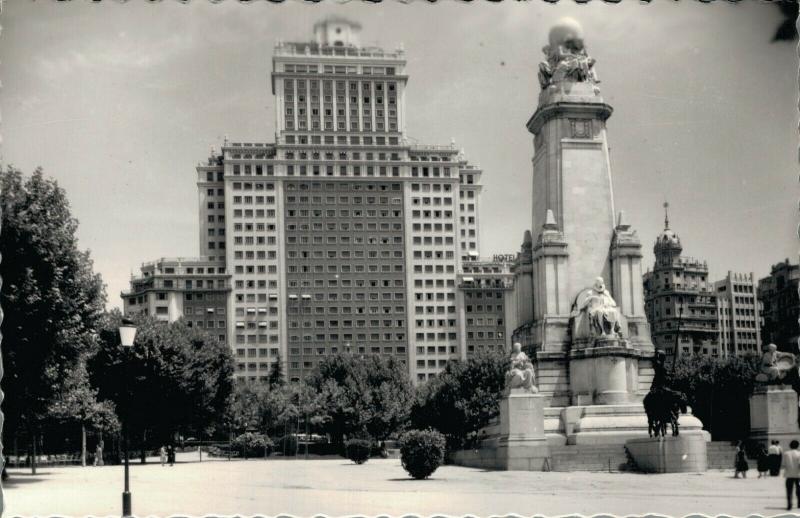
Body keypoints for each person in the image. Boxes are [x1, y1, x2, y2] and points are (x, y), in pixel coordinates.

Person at [784, 440, 800, 510]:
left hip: (789, 475)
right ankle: (799, 503)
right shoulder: (799, 453)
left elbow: (785, 464)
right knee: (799, 490)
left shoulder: (786, 454)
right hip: (798, 475)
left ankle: (789, 504)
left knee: (789, 490)